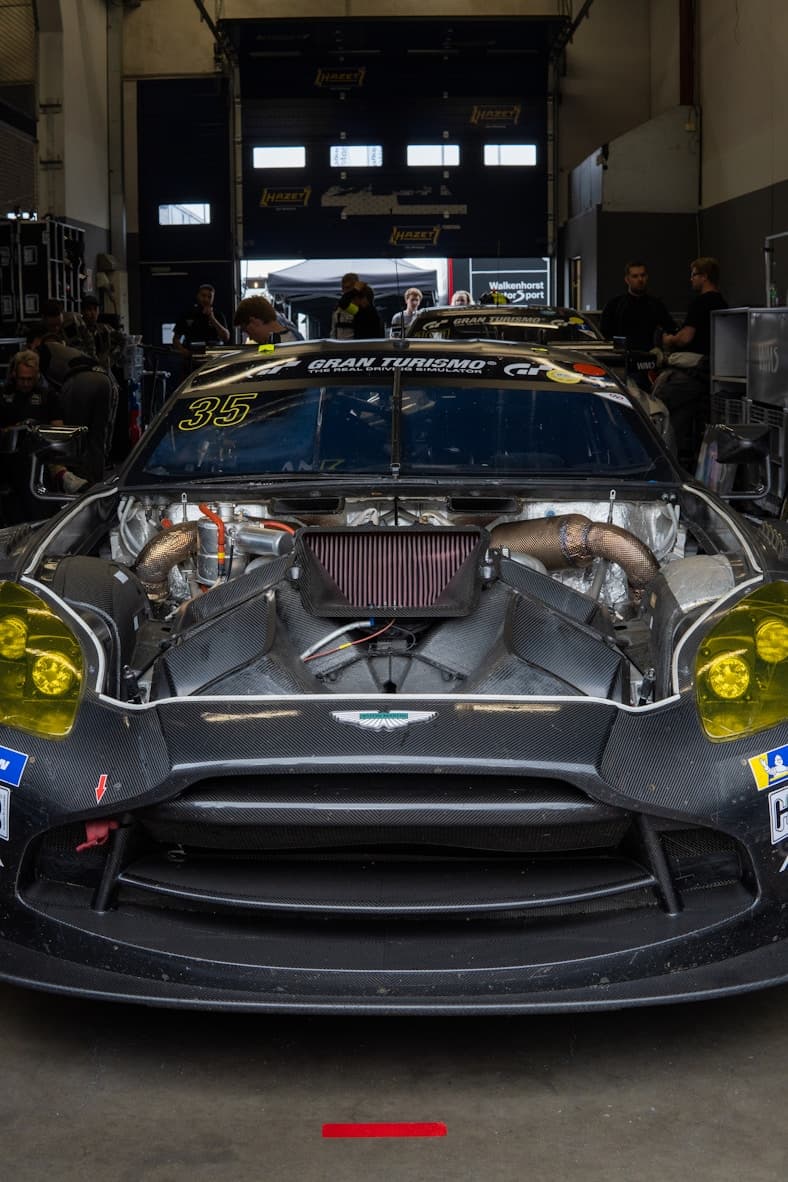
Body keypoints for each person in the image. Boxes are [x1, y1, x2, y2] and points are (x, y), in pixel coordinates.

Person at [654, 257, 728, 469]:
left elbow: (685, 337)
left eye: (694, 274)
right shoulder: (722, 302)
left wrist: (668, 340)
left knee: (661, 410)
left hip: (692, 372)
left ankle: (665, 463)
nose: (691, 279)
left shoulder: (700, 302)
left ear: (704, 277)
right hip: (712, 374)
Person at [34, 337, 118, 484]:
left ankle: (76, 481)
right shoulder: (70, 351)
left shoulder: (42, 351)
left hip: (80, 382)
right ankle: (96, 482)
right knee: (98, 438)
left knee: (74, 435)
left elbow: (49, 391)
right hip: (106, 380)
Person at [600, 260, 676, 350]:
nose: (640, 279)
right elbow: (604, 332)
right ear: (627, 279)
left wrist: (663, 344)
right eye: (635, 276)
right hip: (621, 355)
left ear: (647, 277)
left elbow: (671, 328)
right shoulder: (614, 305)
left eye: (643, 275)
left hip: (648, 355)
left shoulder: (656, 305)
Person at [172, 284, 230, 357]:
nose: (206, 299)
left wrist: (212, 318)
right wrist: (183, 351)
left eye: (209, 297)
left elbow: (226, 338)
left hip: (213, 358)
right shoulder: (187, 314)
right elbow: (176, 339)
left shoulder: (218, 315)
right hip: (191, 357)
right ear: (197, 296)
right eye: (203, 295)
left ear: (213, 299)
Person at [233, 295, 304, 346]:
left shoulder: (284, 345)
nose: (251, 338)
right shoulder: (290, 338)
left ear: (254, 321)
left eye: (248, 331)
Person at [330, 272, 360, 339]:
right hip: (339, 347)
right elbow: (333, 332)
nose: (345, 291)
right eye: (343, 287)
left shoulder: (361, 306)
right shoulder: (337, 309)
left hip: (357, 347)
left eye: (348, 287)